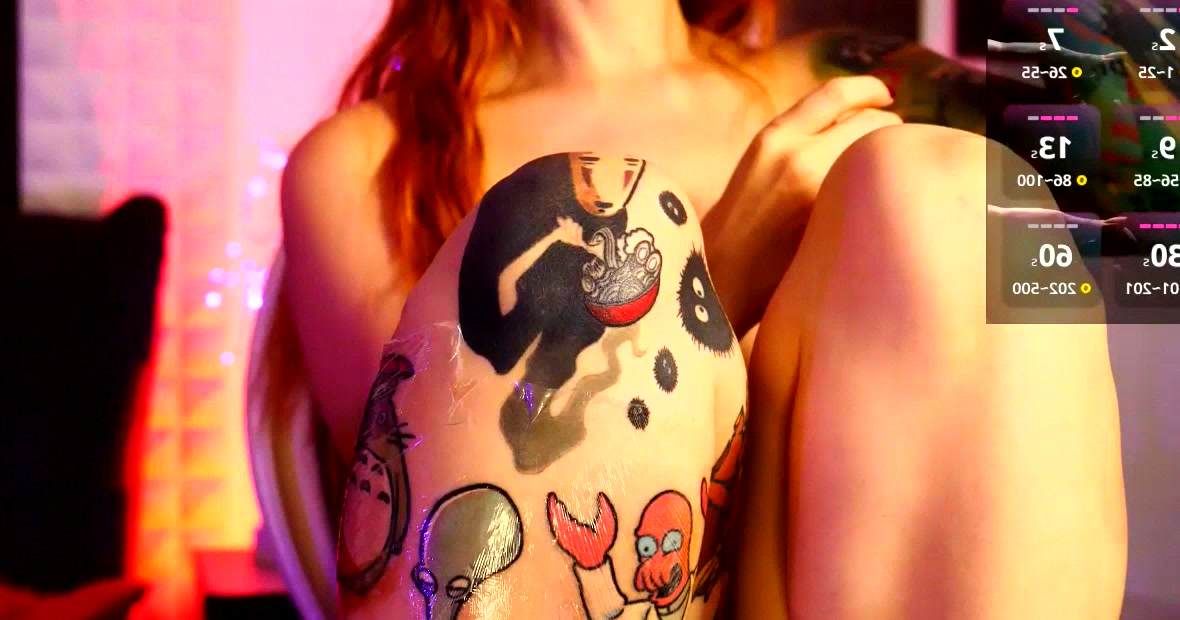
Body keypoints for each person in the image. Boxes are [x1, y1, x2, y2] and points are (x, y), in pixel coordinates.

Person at [268, 1, 1128, 618]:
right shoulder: (365, 163)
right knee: (580, 209)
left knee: (946, 187)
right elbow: (421, 501)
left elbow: (1149, 161)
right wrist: (713, 271)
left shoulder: (840, 73)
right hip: (586, 584)